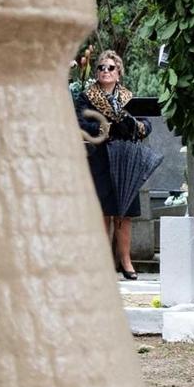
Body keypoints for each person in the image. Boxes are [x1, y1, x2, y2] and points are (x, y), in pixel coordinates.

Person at [76, 51, 158, 279]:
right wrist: (106, 128)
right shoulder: (86, 97)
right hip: (100, 156)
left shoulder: (128, 98)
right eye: (101, 67)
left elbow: (146, 124)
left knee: (125, 212)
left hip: (125, 157)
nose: (105, 71)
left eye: (111, 67)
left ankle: (126, 260)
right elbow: (80, 122)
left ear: (118, 73)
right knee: (103, 210)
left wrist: (134, 127)